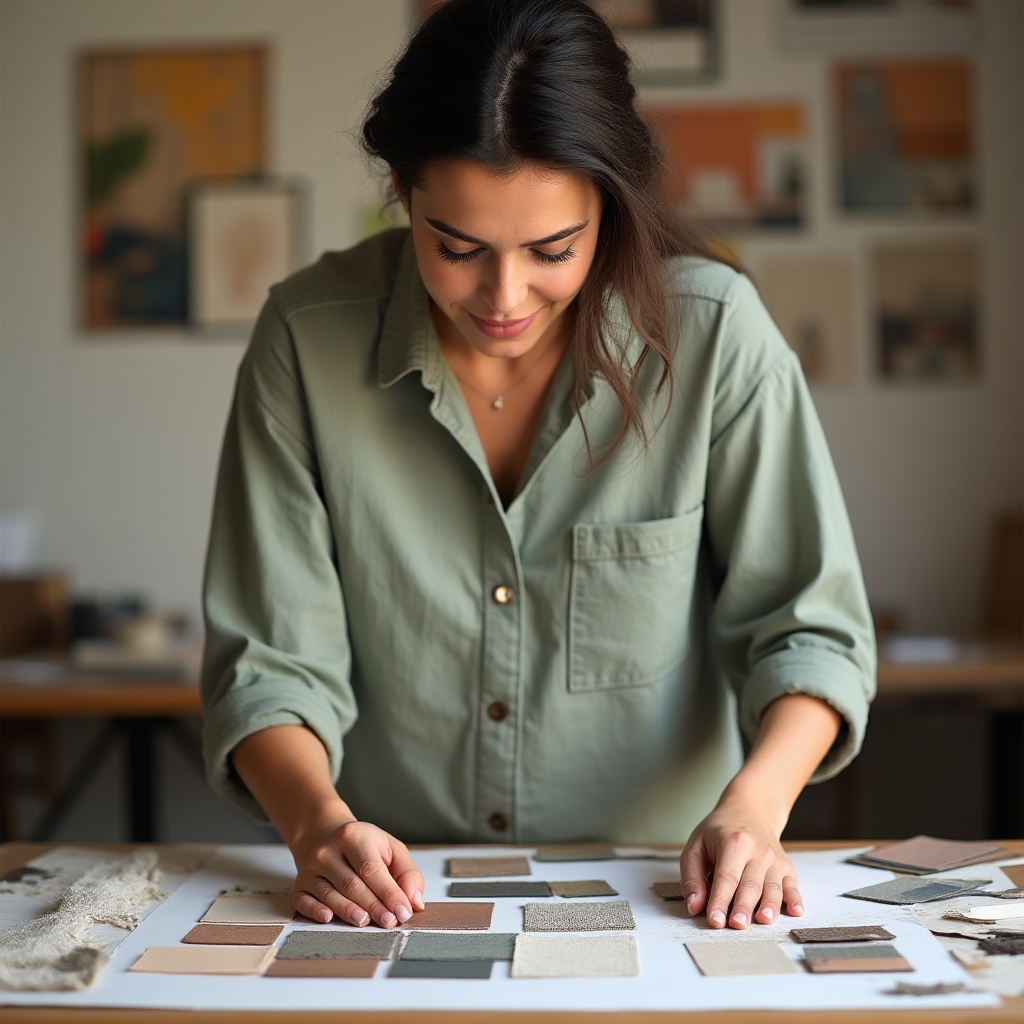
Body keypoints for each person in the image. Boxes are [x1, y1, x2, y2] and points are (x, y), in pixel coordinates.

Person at [201, 0, 875, 935]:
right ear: (400, 189)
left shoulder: (716, 337)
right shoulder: (306, 339)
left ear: (611, 202)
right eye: (458, 247)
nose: (506, 297)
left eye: (554, 249)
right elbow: (269, 661)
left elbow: (810, 634)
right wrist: (318, 826)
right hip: (396, 896)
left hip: (664, 897)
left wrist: (754, 811)